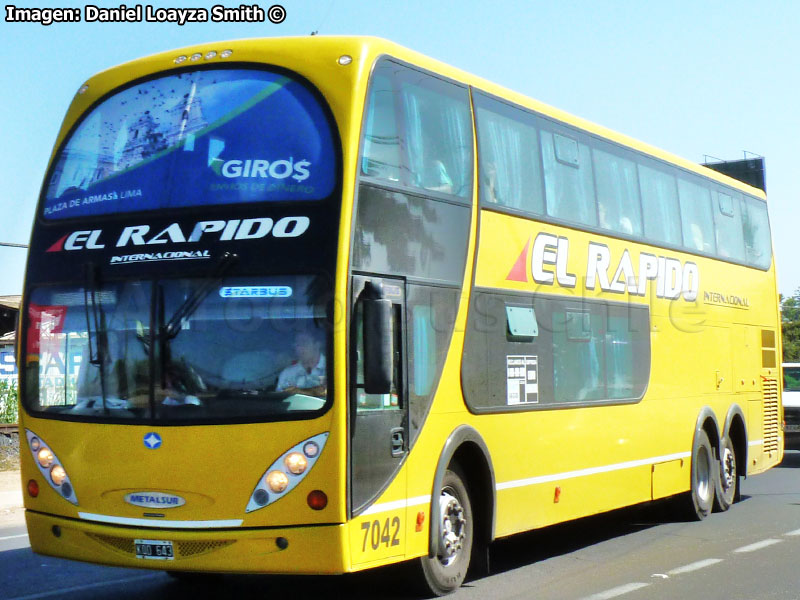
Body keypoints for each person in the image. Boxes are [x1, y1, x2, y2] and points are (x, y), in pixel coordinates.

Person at [276, 329, 326, 395]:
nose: (299, 348)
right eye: (296, 344)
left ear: (317, 344)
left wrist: (300, 392)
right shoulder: (287, 373)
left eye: (304, 343)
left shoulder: (334, 368)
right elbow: (280, 400)